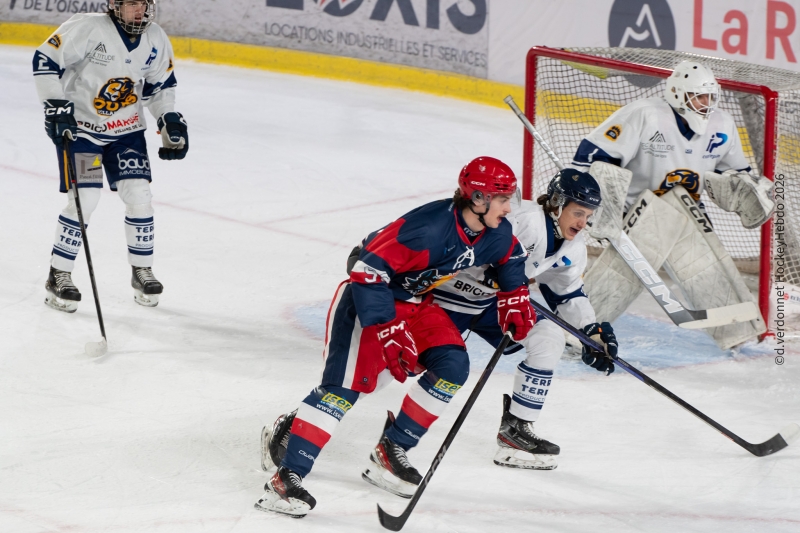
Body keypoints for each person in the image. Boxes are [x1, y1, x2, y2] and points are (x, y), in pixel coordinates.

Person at [256, 157, 535, 518]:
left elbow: (510, 255)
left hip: (418, 305)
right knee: (343, 390)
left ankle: (391, 450)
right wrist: (387, 327)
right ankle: (285, 479)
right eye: (502, 198)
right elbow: (366, 270)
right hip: (369, 301)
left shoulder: (494, 231)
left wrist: (515, 295)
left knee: (452, 365)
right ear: (478, 198)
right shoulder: (428, 228)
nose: (508, 207)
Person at [571, 61, 774, 349]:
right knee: (621, 277)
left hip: (686, 210)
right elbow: (593, 156)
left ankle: (737, 337)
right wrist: (605, 208)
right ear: (678, 94)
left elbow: (735, 178)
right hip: (637, 212)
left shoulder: (722, 125)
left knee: (706, 270)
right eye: (699, 96)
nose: (707, 103)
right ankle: (578, 331)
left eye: (710, 96)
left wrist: (711, 183)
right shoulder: (645, 115)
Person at [433, 168, 618, 470]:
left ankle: (516, 429)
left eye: (588, 215)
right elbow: (455, 227)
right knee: (403, 363)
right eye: (577, 213)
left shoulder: (573, 247)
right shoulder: (522, 219)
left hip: (498, 304)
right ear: (557, 203)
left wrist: (591, 332)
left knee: (548, 338)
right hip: (448, 295)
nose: (583, 223)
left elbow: (567, 294)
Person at [33, 0, 188, 311]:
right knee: (86, 199)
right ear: (115, 6)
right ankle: (58, 274)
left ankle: (141, 270)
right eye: (132, 4)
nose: (140, 11)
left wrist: (168, 118)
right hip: (82, 133)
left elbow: (160, 87)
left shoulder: (155, 37)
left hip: (127, 133)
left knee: (140, 196)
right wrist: (55, 105)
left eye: (144, 4)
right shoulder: (88, 27)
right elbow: (45, 59)